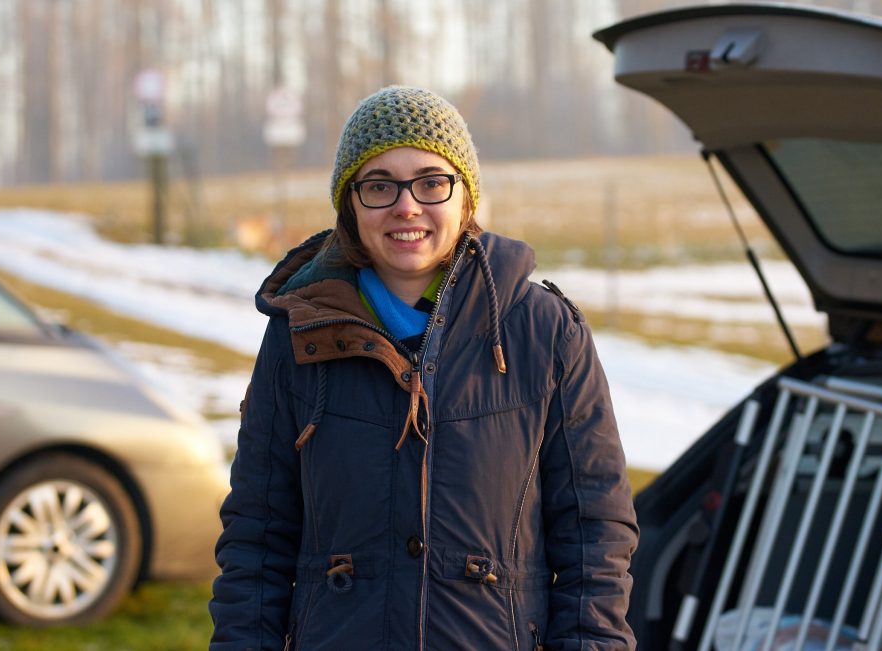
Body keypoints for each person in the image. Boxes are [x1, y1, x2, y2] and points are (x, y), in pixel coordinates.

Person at [209, 86, 638, 650]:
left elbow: (596, 536)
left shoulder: (547, 332)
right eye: (379, 185)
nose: (406, 206)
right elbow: (255, 538)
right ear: (350, 204)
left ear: (466, 198)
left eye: (432, 182)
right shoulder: (299, 336)